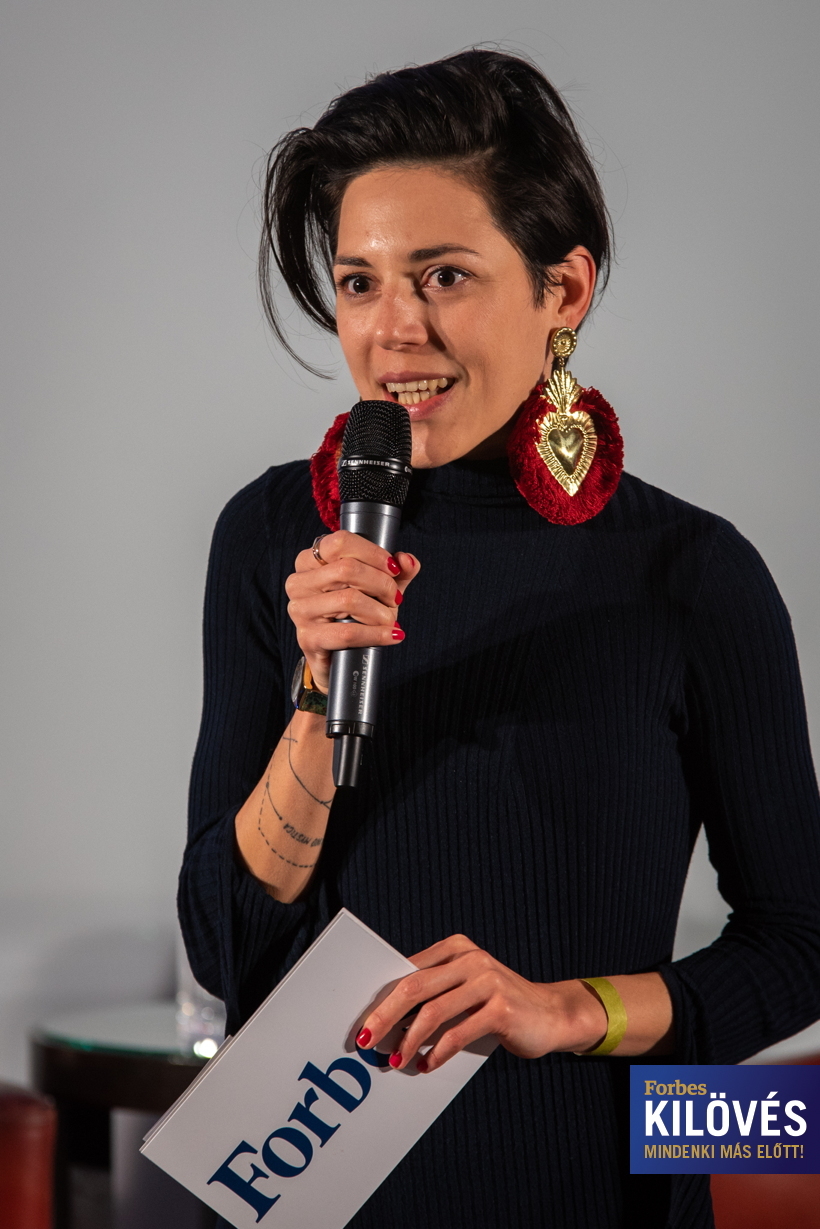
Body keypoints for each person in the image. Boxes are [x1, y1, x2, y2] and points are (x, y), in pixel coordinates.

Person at [178, 50, 820, 1228]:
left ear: (561, 290)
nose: (393, 329)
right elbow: (227, 949)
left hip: (593, 1187)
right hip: (329, 1191)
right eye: (360, 281)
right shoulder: (273, 539)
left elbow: (801, 941)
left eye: (444, 275)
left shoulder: (690, 571)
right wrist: (318, 693)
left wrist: (571, 1009)